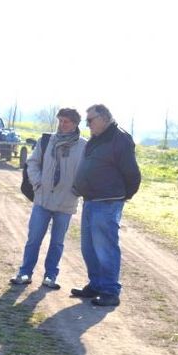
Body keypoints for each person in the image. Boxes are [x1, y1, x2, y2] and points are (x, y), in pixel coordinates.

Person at [71, 104, 141, 307]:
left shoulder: (119, 139)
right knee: (89, 247)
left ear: (103, 118)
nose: (87, 124)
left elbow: (132, 174)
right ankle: (96, 285)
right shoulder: (98, 137)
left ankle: (110, 291)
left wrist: (122, 196)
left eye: (90, 120)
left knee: (105, 248)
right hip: (91, 200)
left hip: (107, 202)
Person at [10, 108, 86, 289]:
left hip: (66, 202)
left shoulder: (84, 146)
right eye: (60, 121)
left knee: (57, 242)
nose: (61, 124)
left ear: (75, 124)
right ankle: (25, 273)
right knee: (34, 239)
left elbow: (87, 172)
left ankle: (50, 276)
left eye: (66, 121)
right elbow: (32, 163)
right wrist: (37, 183)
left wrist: (77, 190)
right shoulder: (46, 140)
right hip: (43, 199)